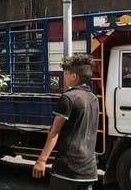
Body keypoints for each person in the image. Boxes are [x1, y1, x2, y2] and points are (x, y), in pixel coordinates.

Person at [32, 53, 98, 190]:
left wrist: (42, 160)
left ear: (74, 76)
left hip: (68, 168)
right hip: (89, 170)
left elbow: (54, 132)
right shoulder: (93, 98)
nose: (64, 77)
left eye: (66, 74)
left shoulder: (68, 98)